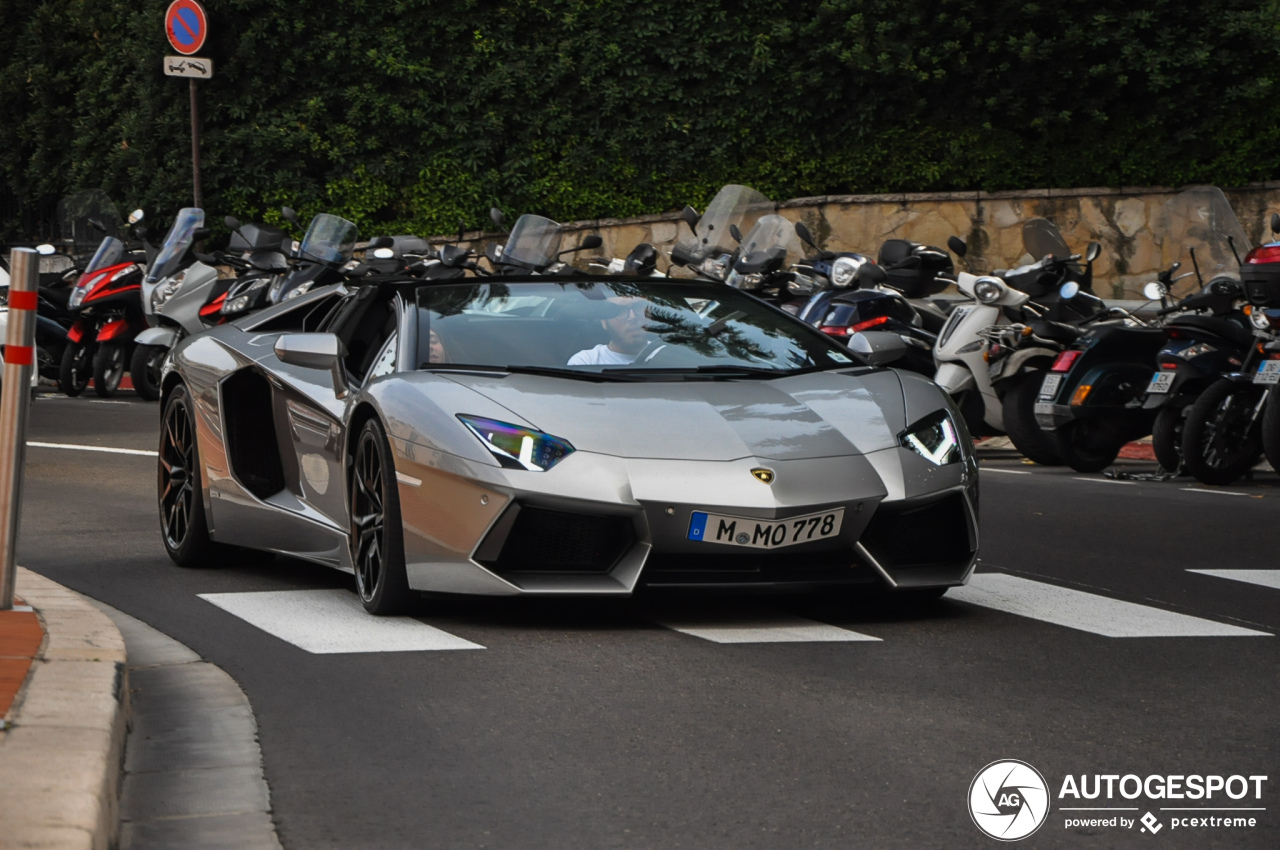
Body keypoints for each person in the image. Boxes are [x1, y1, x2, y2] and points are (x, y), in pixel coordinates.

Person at [568, 298, 649, 366]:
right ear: (604, 322)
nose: (632, 317)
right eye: (620, 311)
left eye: (638, 308)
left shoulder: (661, 353)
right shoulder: (585, 362)